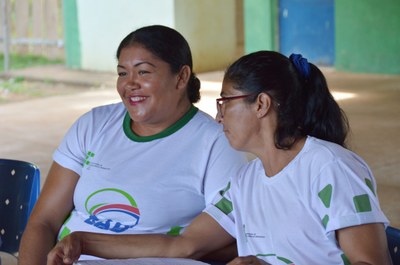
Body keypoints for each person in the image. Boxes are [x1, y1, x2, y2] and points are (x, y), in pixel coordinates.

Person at [47, 51, 391, 265]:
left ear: (261, 104)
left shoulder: (329, 168)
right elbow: (182, 246)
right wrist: (83, 241)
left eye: (224, 102)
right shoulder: (248, 181)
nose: (218, 117)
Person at [18, 25, 247, 265]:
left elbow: (227, 242)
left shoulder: (216, 143)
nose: (130, 84)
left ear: (181, 77)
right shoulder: (94, 125)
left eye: (143, 72)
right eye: (122, 73)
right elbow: (43, 222)